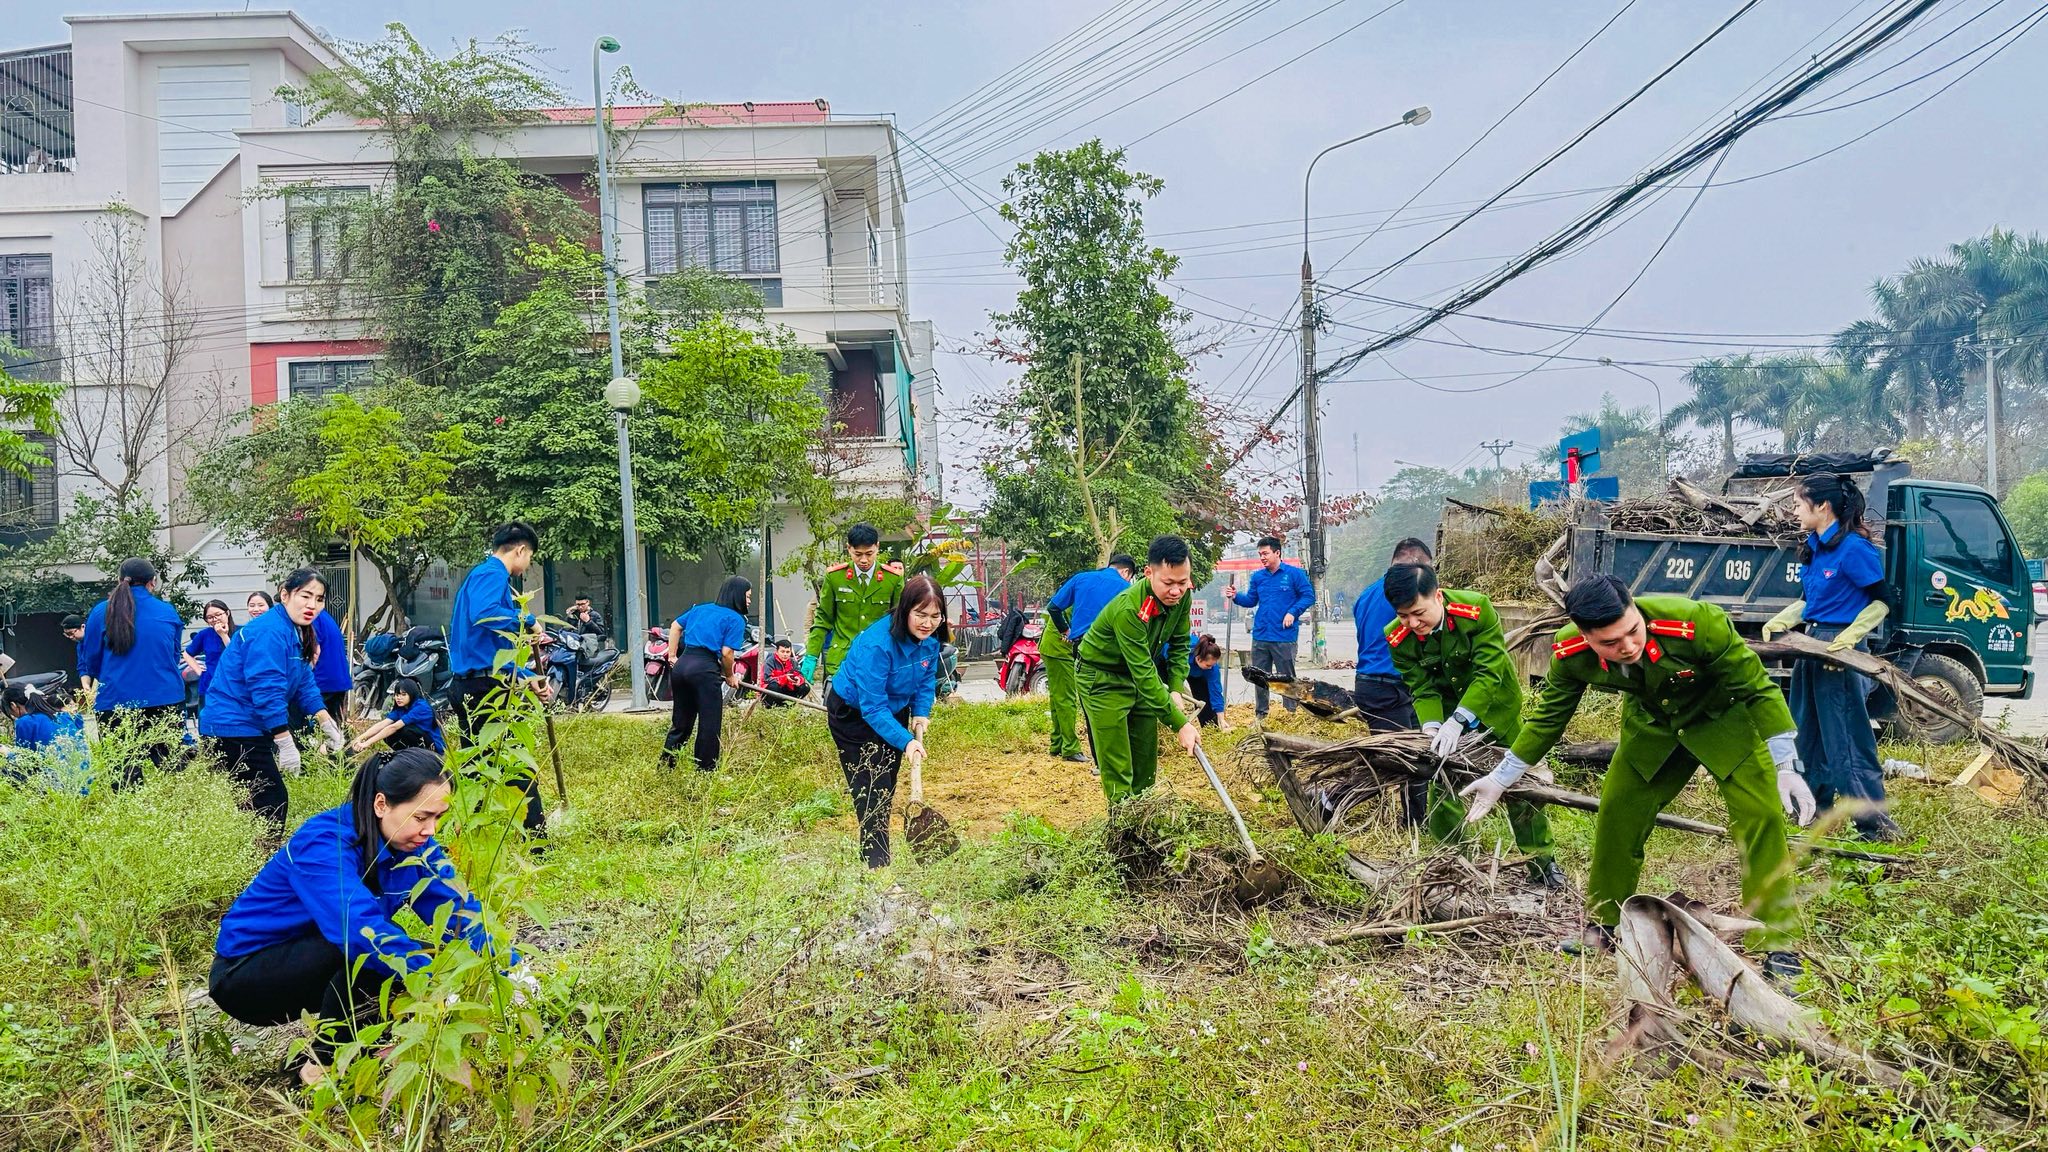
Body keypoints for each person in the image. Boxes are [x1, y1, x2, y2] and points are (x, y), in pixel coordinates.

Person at [1462, 575, 1816, 976]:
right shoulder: (1570, 653)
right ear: (1585, 635)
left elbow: (1757, 688)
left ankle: (1777, 943)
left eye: (1632, 631)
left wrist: (1787, 766)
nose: (1627, 646)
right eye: (1610, 643)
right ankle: (1605, 925)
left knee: (1762, 817)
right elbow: (1547, 721)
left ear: (1634, 607)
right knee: (1617, 813)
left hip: (1723, 720)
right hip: (1652, 727)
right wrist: (1501, 778)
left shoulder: (1696, 623)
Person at [209, 748, 529, 1087]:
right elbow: (359, 930)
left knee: (439, 957)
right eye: (421, 817)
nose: (431, 830)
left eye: (438, 817)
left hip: (322, 953)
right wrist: (431, 986)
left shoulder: (415, 848)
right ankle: (319, 1070)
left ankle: (357, 1059)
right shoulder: (322, 843)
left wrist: (510, 969)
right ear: (381, 804)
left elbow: (456, 909)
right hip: (246, 976)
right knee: (375, 952)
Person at [1383, 563, 1563, 887]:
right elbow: (1422, 688)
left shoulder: (1476, 611)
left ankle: (1542, 863)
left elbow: (1488, 674)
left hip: (1497, 710)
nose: (1412, 623)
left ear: (1437, 596)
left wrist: (1460, 721)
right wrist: (1433, 727)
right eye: (1403, 615)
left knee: (1522, 786)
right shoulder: (1398, 637)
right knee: (1443, 787)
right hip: (1448, 721)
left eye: (1418, 613)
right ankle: (1453, 864)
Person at [1763, 473, 1898, 842]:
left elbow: (1882, 600)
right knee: (1805, 735)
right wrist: (1786, 618)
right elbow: (1812, 602)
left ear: (1822, 506)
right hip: (1811, 646)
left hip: (1840, 653)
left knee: (1848, 742)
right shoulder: (1815, 545)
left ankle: (1874, 827)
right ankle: (1810, 814)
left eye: (1797, 503)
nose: (1793, 510)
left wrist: (1852, 636)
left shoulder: (1855, 548)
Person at [201, 568, 347, 834]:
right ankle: (262, 862)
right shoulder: (270, 631)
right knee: (271, 800)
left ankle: (251, 857)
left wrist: (326, 721)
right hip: (233, 726)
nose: (312, 605)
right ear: (284, 595)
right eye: (305, 596)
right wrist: (285, 742)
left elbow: (303, 679)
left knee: (254, 802)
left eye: (319, 598)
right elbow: (266, 689)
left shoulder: (296, 629)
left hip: (248, 726)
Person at [827, 574, 948, 868]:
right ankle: (877, 869)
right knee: (871, 793)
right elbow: (872, 708)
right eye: (920, 614)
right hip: (854, 715)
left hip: (893, 712)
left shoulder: (930, 642)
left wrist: (921, 713)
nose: (927, 623)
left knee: (886, 783)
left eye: (935, 616)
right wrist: (906, 740)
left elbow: (923, 682)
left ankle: (878, 859)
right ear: (905, 609)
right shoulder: (877, 646)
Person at [1078, 536, 1202, 807]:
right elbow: (1144, 671)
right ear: (1149, 573)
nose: (1176, 591)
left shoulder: (1182, 597)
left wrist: (1175, 687)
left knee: (1145, 761)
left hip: (1140, 676)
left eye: (1183, 582)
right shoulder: (1130, 609)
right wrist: (1180, 723)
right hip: (1102, 678)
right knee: (1118, 765)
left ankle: (1144, 820)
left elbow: (1180, 644)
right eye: (1168, 583)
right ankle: (1122, 832)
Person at [447, 522, 552, 834]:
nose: (527, 565)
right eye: (529, 557)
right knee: (516, 763)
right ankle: (537, 840)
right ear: (520, 550)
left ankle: (467, 834)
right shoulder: (491, 574)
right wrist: (529, 621)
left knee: (475, 768)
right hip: (484, 689)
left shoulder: (485, 578)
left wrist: (527, 676)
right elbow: (485, 614)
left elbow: (491, 651)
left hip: (476, 682)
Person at [78, 557, 189, 778]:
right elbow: (173, 656)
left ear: (120, 581)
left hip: (116, 701)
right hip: (164, 697)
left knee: (124, 775)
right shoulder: (167, 612)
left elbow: (91, 658)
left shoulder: (101, 612)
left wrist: (113, 676)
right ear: (153, 582)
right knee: (173, 771)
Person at [1352, 538, 1435, 822]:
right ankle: (1332, 796)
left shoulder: (1366, 594)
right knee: (1398, 759)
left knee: (1417, 755)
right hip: (1388, 685)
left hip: (1375, 684)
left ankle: (1417, 820)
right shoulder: (1404, 598)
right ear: (1413, 566)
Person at [1042, 555, 1138, 762]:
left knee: (1062, 697)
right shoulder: (1123, 588)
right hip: (1061, 647)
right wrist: (1066, 631)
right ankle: (1070, 748)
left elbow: (1053, 607)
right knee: (1067, 698)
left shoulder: (1082, 579)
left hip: (1069, 645)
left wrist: (1068, 630)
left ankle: (1058, 743)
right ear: (1126, 573)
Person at [662, 577, 750, 772]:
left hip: (682, 666)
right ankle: (705, 772)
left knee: (681, 723)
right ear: (737, 596)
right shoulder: (735, 619)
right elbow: (727, 653)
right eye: (748, 596)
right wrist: (730, 676)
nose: (749, 601)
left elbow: (675, 626)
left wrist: (673, 655)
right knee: (709, 724)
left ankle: (666, 767)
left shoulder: (700, 609)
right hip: (704, 669)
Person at [1223, 536, 1316, 720]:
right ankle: (1261, 714)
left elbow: (1308, 596)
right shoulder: (1258, 577)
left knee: (1286, 678)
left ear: (1277, 553)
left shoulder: (1294, 574)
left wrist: (1293, 612)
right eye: (1260, 554)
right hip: (1261, 635)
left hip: (1284, 636)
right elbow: (1251, 600)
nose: (1262, 557)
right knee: (1260, 677)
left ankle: (1290, 714)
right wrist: (1235, 596)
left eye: (1265, 553)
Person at [804, 523, 903, 685]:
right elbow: (823, 619)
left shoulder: (892, 579)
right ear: (848, 548)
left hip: (879, 659)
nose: (864, 560)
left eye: (869, 553)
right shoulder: (835, 577)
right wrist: (811, 657)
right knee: (837, 707)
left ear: (877, 547)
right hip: (841, 660)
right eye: (858, 554)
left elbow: (900, 621)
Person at [350, 677, 444, 754]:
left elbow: (394, 727)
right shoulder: (401, 708)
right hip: (418, 740)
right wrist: (361, 738)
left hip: (433, 747)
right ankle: (405, 755)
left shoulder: (421, 707)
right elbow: (382, 724)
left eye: (403, 695)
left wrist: (367, 743)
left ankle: (415, 755)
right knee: (388, 735)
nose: (399, 698)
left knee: (404, 730)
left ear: (412, 695)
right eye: (397, 695)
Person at [182, 600, 234, 707]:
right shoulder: (205, 634)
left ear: (227, 613)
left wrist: (223, 635)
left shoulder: (240, 631)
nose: (214, 619)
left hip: (232, 685)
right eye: (210, 617)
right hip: (209, 685)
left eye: (218, 615)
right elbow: (187, 654)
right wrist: (198, 670)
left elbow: (234, 655)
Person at [310, 607, 355, 721]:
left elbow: (314, 652)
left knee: (319, 726)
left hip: (322, 681)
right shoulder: (324, 616)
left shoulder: (311, 618)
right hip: (335, 679)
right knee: (336, 723)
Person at [1187, 633, 1226, 727]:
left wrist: (1221, 718)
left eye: (1213, 665)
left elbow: (1216, 691)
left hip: (1197, 674)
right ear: (1198, 658)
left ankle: (1210, 728)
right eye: (1208, 665)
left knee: (1205, 702)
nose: (1211, 668)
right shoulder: (1185, 649)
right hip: (1170, 664)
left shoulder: (1212, 668)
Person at [762, 638, 812, 705]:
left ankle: (790, 705)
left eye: (787, 652)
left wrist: (798, 679)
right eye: (782, 651)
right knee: (773, 686)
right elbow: (766, 680)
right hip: (774, 690)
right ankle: (772, 705)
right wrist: (784, 678)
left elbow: (799, 674)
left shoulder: (793, 662)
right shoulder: (770, 662)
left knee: (805, 687)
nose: (785, 654)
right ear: (777, 651)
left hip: (788, 688)